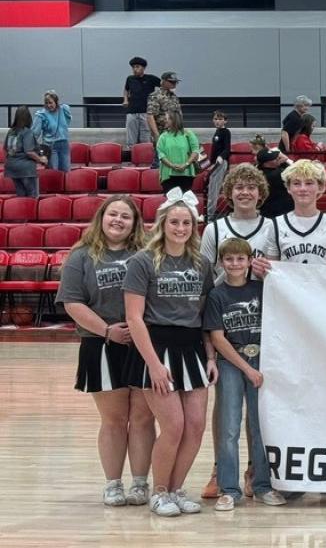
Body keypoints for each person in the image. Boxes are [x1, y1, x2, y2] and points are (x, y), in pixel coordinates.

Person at [122, 189, 216, 517]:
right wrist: (154, 365)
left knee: (195, 425)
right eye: (174, 222)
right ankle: (158, 491)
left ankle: (176, 489)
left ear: (194, 226)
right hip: (155, 349)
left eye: (186, 222)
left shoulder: (202, 263)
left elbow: (205, 316)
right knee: (173, 426)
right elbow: (134, 317)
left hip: (191, 347)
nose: (180, 227)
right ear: (162, 224)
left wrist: (210, 356)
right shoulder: (142, 261)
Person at [56, 195, 154, 507]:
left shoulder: (147, 253)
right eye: (113, 214)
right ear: (102, 217)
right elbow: (72, 302)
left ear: (135, 224)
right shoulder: (81, 256)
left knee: (142, 417)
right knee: (113, 419)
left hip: (144, 344)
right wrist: (108, 330)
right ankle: (113, 484)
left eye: (126, 216)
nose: (118, 220)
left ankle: (140, 483)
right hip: (101, 343)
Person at [196, 162, 274, 499]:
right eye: (238, 187)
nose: (244, 192)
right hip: (224, 323)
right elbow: (204, 280)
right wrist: (233, 276)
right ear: (229, 193)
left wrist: (264, 272)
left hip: (260, 322)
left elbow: (278, 275)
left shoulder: (271, 227)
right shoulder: (214, 229)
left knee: (258, 415)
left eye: (251, 187)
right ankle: (220, 469)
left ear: (260, 193)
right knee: (226, 412)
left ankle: (256, 473)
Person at [204, 238, 286, 511]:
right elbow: (217, 338)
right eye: (229, 259)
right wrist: (247, 368)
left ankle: (262, 484)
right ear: (221, 263)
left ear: (251, 261)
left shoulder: (262, 289)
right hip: (232, 361)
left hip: (262, 358)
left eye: (241, 259)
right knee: (228, 428)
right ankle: (229, 489)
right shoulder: (217, 295)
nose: (235, 264)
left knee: (260, 425)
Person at [260, 159, 326, 267]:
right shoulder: (275, 225)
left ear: (320, 187)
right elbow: (272, 272)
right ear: (288, 188)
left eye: (309, 183)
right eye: (296, 183)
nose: (303, 189)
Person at [5, 106, 48, 197]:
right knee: (32, 196)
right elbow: (29, 151)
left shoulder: (11, 131)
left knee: (21, 195)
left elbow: (6, 149)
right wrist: (41, 159)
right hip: (26, 169)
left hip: (12, 168)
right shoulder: (27, 132)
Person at [156, 110, 202, 194]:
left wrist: (186, 164)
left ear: (174, 120)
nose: (164, 120)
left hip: (186, 174)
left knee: (184, 202)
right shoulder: (163, 136)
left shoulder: (188, 134)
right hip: (168, 176)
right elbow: (161, 154)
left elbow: (195, 150)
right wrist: (172, 165)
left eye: (167, 119)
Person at [147, 72, 182, 168]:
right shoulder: (155, 96)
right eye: (171, 82)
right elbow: (150, 116)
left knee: (173, 162)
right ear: (163, 81)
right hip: (162, 135)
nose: (174, 84)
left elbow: (179, 115)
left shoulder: (174, 97)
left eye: (175, 82)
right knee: (159, 162)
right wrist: (156, 135)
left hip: (175, 135)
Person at [124, 56, 160, 148]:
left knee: (146, 139)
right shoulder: (130, 79)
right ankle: (131, 159)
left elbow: (164, 85)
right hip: (131, 112)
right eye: (133, 67)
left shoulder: (150, 78)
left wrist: (158, 100)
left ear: (143, 68)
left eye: (137, 67)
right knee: (131, 139)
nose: (134, 69)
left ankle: (145, 160)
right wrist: (125, 100)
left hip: (146, 112)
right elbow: (126, 89)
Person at [254, 136, 294, 219]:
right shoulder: (277, 174)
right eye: (273, 158)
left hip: (269, 211)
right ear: (266, 163)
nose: (277, 158)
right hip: (278, 213)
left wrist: (278, 162)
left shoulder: (259, 170)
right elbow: (295, 168)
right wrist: (283, 159)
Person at [33, 90, 72, 172]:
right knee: (54, 172)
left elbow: (67, 122)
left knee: (66, 171)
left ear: (56, 102)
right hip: (50, 146)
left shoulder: (64, 110)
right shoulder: (41, 115)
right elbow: (35, 133)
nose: (48, 105)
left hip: (64, 144)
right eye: (46, 103)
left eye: (50, 102)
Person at [205, 111, 231, 219]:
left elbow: (226, 148)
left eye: (220, 119)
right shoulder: (217, 132)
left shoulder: (226, 132)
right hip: (215, 163)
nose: (217, 121)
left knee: (214, 187)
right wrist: (211, 163)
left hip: (221, 162)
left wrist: (221, 157)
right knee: (212, 187)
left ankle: (210, 215)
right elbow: (214, 150)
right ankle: (210, 212)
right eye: (215, 119)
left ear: (225, 121)